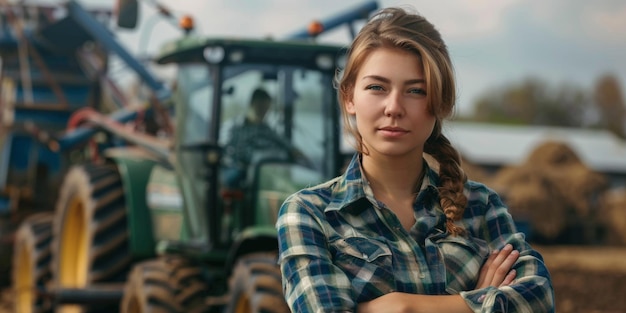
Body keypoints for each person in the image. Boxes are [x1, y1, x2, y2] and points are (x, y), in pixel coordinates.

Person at [276, 7, 555, 313]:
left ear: (441, 103)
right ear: (349, 97)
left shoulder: (481, 206)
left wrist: (398, 306)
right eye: (376, 87)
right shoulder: (309, 214)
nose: (394, 107)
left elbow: (538, 298)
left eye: (416, 91)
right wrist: (475, 302)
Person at [222, 88, 301, 188]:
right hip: (240, 170)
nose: (263, 112)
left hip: (266, 171)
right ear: (251, 104)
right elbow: (224, 151)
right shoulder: (234, 127)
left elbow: (286, 144)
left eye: (266, 108)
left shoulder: (267, 130)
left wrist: (296, 152)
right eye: (260, 107)